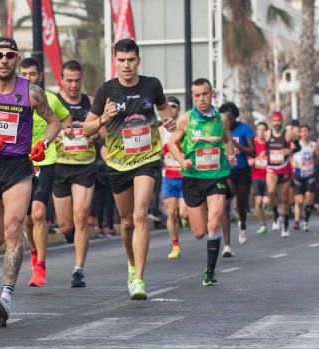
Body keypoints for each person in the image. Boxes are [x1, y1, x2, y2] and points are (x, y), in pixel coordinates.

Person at [0, 36, 59, 325]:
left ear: (17, 60)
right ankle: (16, 245)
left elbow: (54, 122)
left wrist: (43, 142)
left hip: (18, 167)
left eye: (10, 55)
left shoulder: (32, 93)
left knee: (13, 228)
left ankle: (5, 297)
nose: (4, 60)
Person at [81, 39, 175, 300]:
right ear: (116, 61)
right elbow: (87, 129)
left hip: (147, 157)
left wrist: (169, 121)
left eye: (131, 60)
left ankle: (139, 279)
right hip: (118, 162)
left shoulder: (151, 85)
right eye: (121, 60)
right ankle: (131, 264)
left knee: (141, 214)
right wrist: (103, 118)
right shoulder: (106, 90)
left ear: (138, 61)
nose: (126, 65)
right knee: (126, 222)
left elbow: (165, 110)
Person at [166, 78, 236, 287]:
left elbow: (227, 139)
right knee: (199, 232)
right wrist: (182, 161)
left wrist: (231, 156)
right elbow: (171, 143)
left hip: (216, 176)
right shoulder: (186, 119)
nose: (201, 99)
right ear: (192, 97)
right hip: (193, 178)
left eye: (204, 94)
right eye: (196, 95)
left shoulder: (221, 119)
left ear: (212, 94)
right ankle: (202, 216)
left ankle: (210, 271)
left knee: (214, 221)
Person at [17, 57, 70, 288]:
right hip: (19, 161)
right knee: (27, 219)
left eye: (33, 74)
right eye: (25, 74)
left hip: (45, 160)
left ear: (41, 76)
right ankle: (34, 253)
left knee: (39, 214)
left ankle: (40, 266)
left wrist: (62, 135)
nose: (29, 78)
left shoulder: (49, 99)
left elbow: (64, 119)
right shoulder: (14, 98)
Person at [52, 59, 98, 286]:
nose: (73, 85)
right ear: (62, 80)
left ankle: (78, 269)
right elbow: (45, 128)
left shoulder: (90, 102)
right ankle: (71, 235)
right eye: (69, 80)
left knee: (82, 215)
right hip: (60, 166)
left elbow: (103, 132)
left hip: (85, 165)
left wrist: (95, 134)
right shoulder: (54, 103)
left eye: (77, 80)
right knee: (66, 225)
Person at [220, 102, 254, 248]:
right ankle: (227, 244)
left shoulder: (244, 129)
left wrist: (235, 144)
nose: (229, 122)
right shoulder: (218, 130)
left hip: (242, 171)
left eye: (232, 119)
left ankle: (243, 223)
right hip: (226, 171)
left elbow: (253, 152)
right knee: (225, 205)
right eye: (226, 119)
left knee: (241, 206)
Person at [159, 97, 185, 259]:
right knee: (171, 213)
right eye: (168, 106)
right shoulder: (161, 131)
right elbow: (158, 153)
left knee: (183, 213)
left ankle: (188, 218)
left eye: (174, 106)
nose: (171, 109)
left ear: (178, 109)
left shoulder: (184, 127)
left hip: (184, 176)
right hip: (168, 176)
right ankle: (175, 245)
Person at [264, 111, 295, 237]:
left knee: (285, 199)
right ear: (271, 121)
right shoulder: (267, 134)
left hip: (284, 168)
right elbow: (264, 147)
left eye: (279, 121)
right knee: (271, 192)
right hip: (271, 168)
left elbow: (297, 147)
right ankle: (276, 216)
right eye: (274, 121)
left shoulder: (288, 134)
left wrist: (290, 150)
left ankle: (286, 225)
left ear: (282, 121)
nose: (277, 123)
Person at [290, 124, 318, 232]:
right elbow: (289, 156)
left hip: (309, 173)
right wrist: (292, 163)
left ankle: (306, 221)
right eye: (302, 131)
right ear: (300, 133)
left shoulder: (313, 145)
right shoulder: (296, 144)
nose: (304, 133)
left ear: (309, 132)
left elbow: (318, 159)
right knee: (299, 200)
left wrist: (316, 154)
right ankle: (297, 221)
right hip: (298, 174)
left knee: (309, 198)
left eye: (306, 131)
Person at [251, 121, 269, 234]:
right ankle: (262, 224)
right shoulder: (252, 143)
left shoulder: (270, 143)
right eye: (259, 129)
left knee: (266, 201)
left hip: (269, 175)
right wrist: (253, 160)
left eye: (263, 129)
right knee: (258, 202)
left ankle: (276, 214)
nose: (261, 132)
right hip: (256, 175)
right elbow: (249, 157)